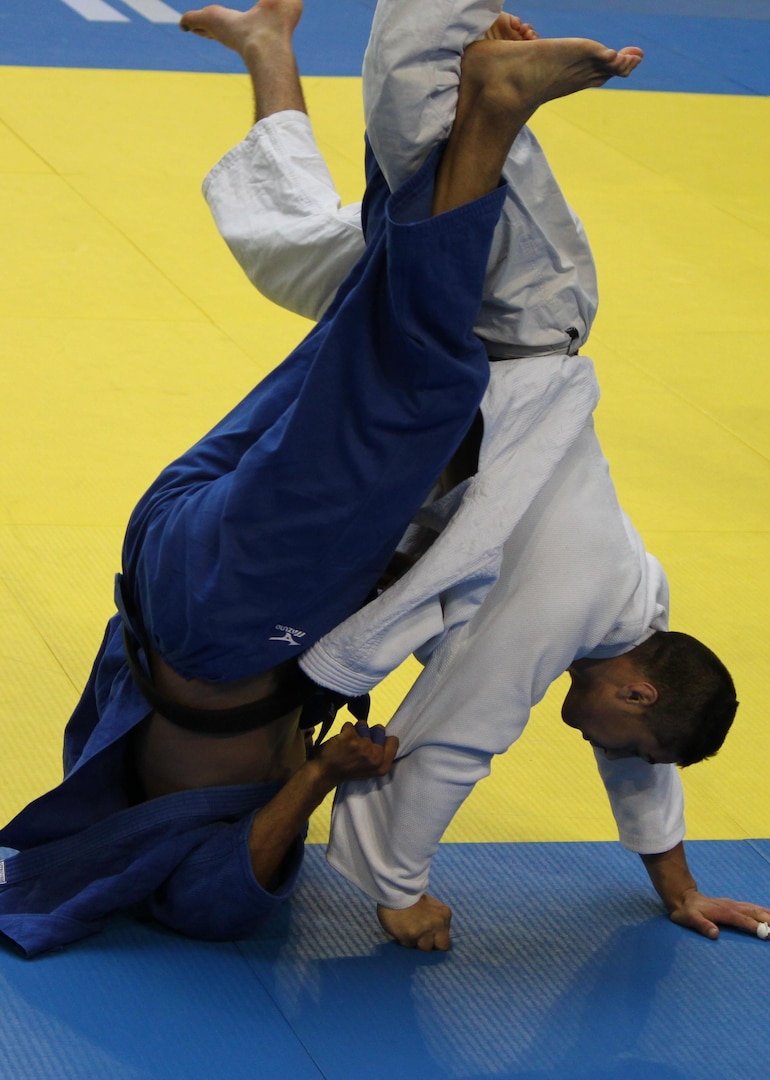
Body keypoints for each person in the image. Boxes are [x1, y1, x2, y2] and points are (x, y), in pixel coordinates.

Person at [185, 0, 770, 951]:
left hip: (427, 334)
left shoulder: (635, 618)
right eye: (611, 738)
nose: (593, 745)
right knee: (421, 88)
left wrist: (679, 885)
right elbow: (452, 740)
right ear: (637, 693)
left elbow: (648, 762)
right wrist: (397, 891)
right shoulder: (559, 613)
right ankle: (488, 86)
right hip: (510, 320)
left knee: (283, 247)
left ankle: (269, 42)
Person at [0, 0, 541, 955]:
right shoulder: (95, 807)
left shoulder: (177, 889)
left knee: (411, 386)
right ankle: (325, 64)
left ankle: (488, 107)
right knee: (359, 314)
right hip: (167, 562)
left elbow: (239, 883)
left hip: (232, 614)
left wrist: (325, 776)